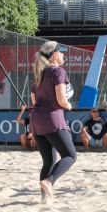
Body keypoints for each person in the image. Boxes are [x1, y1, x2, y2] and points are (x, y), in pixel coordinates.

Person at [29, 41, 77, 203]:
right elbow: (62, 100)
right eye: (61, 52)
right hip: (52, 119)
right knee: (70, 155)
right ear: (54, 55)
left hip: (36, 121)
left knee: (48, 161)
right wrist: (69, 105)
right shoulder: (58, 72)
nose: (64, 55)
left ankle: (45, 200)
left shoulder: (39, 73)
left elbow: (34, 101)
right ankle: (49, 182)